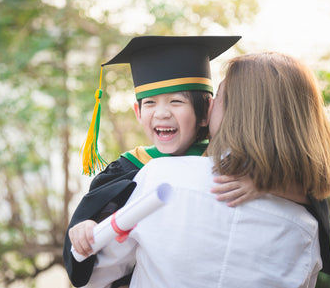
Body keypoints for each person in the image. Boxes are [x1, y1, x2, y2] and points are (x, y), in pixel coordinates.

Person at [81, 51, 330, 287]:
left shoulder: (161, 181)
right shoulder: (307, 224)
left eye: (220, 97)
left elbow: (95, 273)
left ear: (237, 112)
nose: (211, 105)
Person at [63, 35, 249, 287]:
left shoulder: (228, 162)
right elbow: (90, 248)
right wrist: (85, 228)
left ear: (206, 112)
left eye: (176, 101)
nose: (162, 113)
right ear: (138, 113)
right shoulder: (128, 169)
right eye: (150, 103)